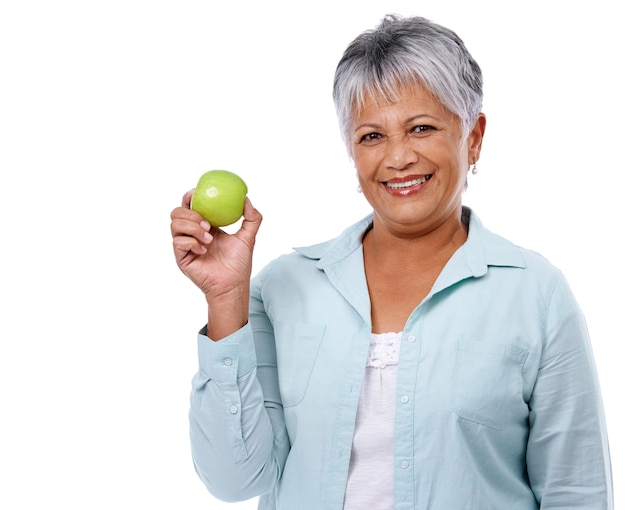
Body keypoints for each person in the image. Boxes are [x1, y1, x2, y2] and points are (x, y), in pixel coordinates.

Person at [169, 14, 613, 510]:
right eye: (371, 136)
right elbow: (233, 481)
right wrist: (226, 300)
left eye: (421, 128)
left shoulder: (537, 295)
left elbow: (577, 494)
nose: (398, 157)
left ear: (473, 136)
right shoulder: (282, 289)